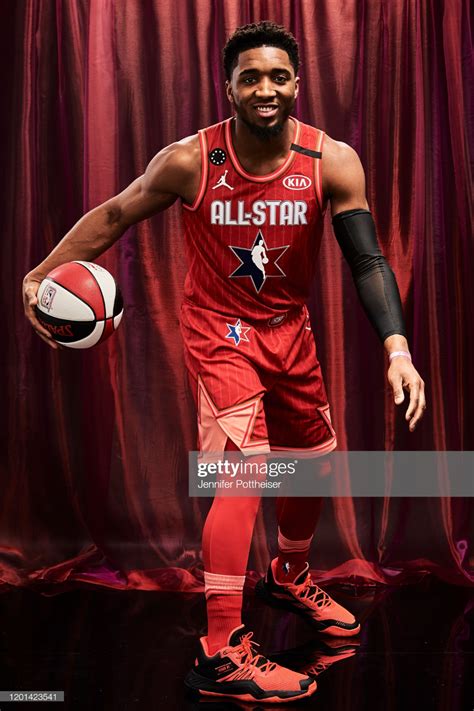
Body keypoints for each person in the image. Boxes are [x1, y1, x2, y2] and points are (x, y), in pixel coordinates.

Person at [23, 21, 426, 704]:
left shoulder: (332, 160)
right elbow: (117, 213)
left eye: (277, 76)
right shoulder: (190, 160)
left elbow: (368, 259)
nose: (264, 88)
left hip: (289, 329)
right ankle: (220, 650)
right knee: (243, 470)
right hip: (219, 332)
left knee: (314, 462)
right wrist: (41, 274)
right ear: (229, 85)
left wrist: (398, 347)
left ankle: (288, 574)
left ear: (296, 83)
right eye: (250, 77)